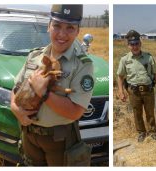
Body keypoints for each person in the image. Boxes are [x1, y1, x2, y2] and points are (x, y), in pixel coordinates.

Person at [10, 4, 94, 166]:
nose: (62, 34)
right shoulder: (35, 56)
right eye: (57, 25)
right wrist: (15, 108)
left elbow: (75, 111)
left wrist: (45, 93)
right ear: (48, 27)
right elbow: (16, 88)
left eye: (70, 27)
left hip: (59, 141)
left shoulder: (82, 65)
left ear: (78, 31)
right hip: (29, 136)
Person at [117, 30, 156, 142]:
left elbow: (155, 73)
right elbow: (120, 77)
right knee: (137, 113)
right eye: (132, 44)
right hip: (134, 91)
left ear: (140, 44)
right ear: (128, 46)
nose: (135, 46)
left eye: (137, 43)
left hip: (148, 90)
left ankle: (152, 131)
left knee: (150, 112)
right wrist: (121, 92)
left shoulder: (149, 57)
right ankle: (141, 132)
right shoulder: (125, 60)